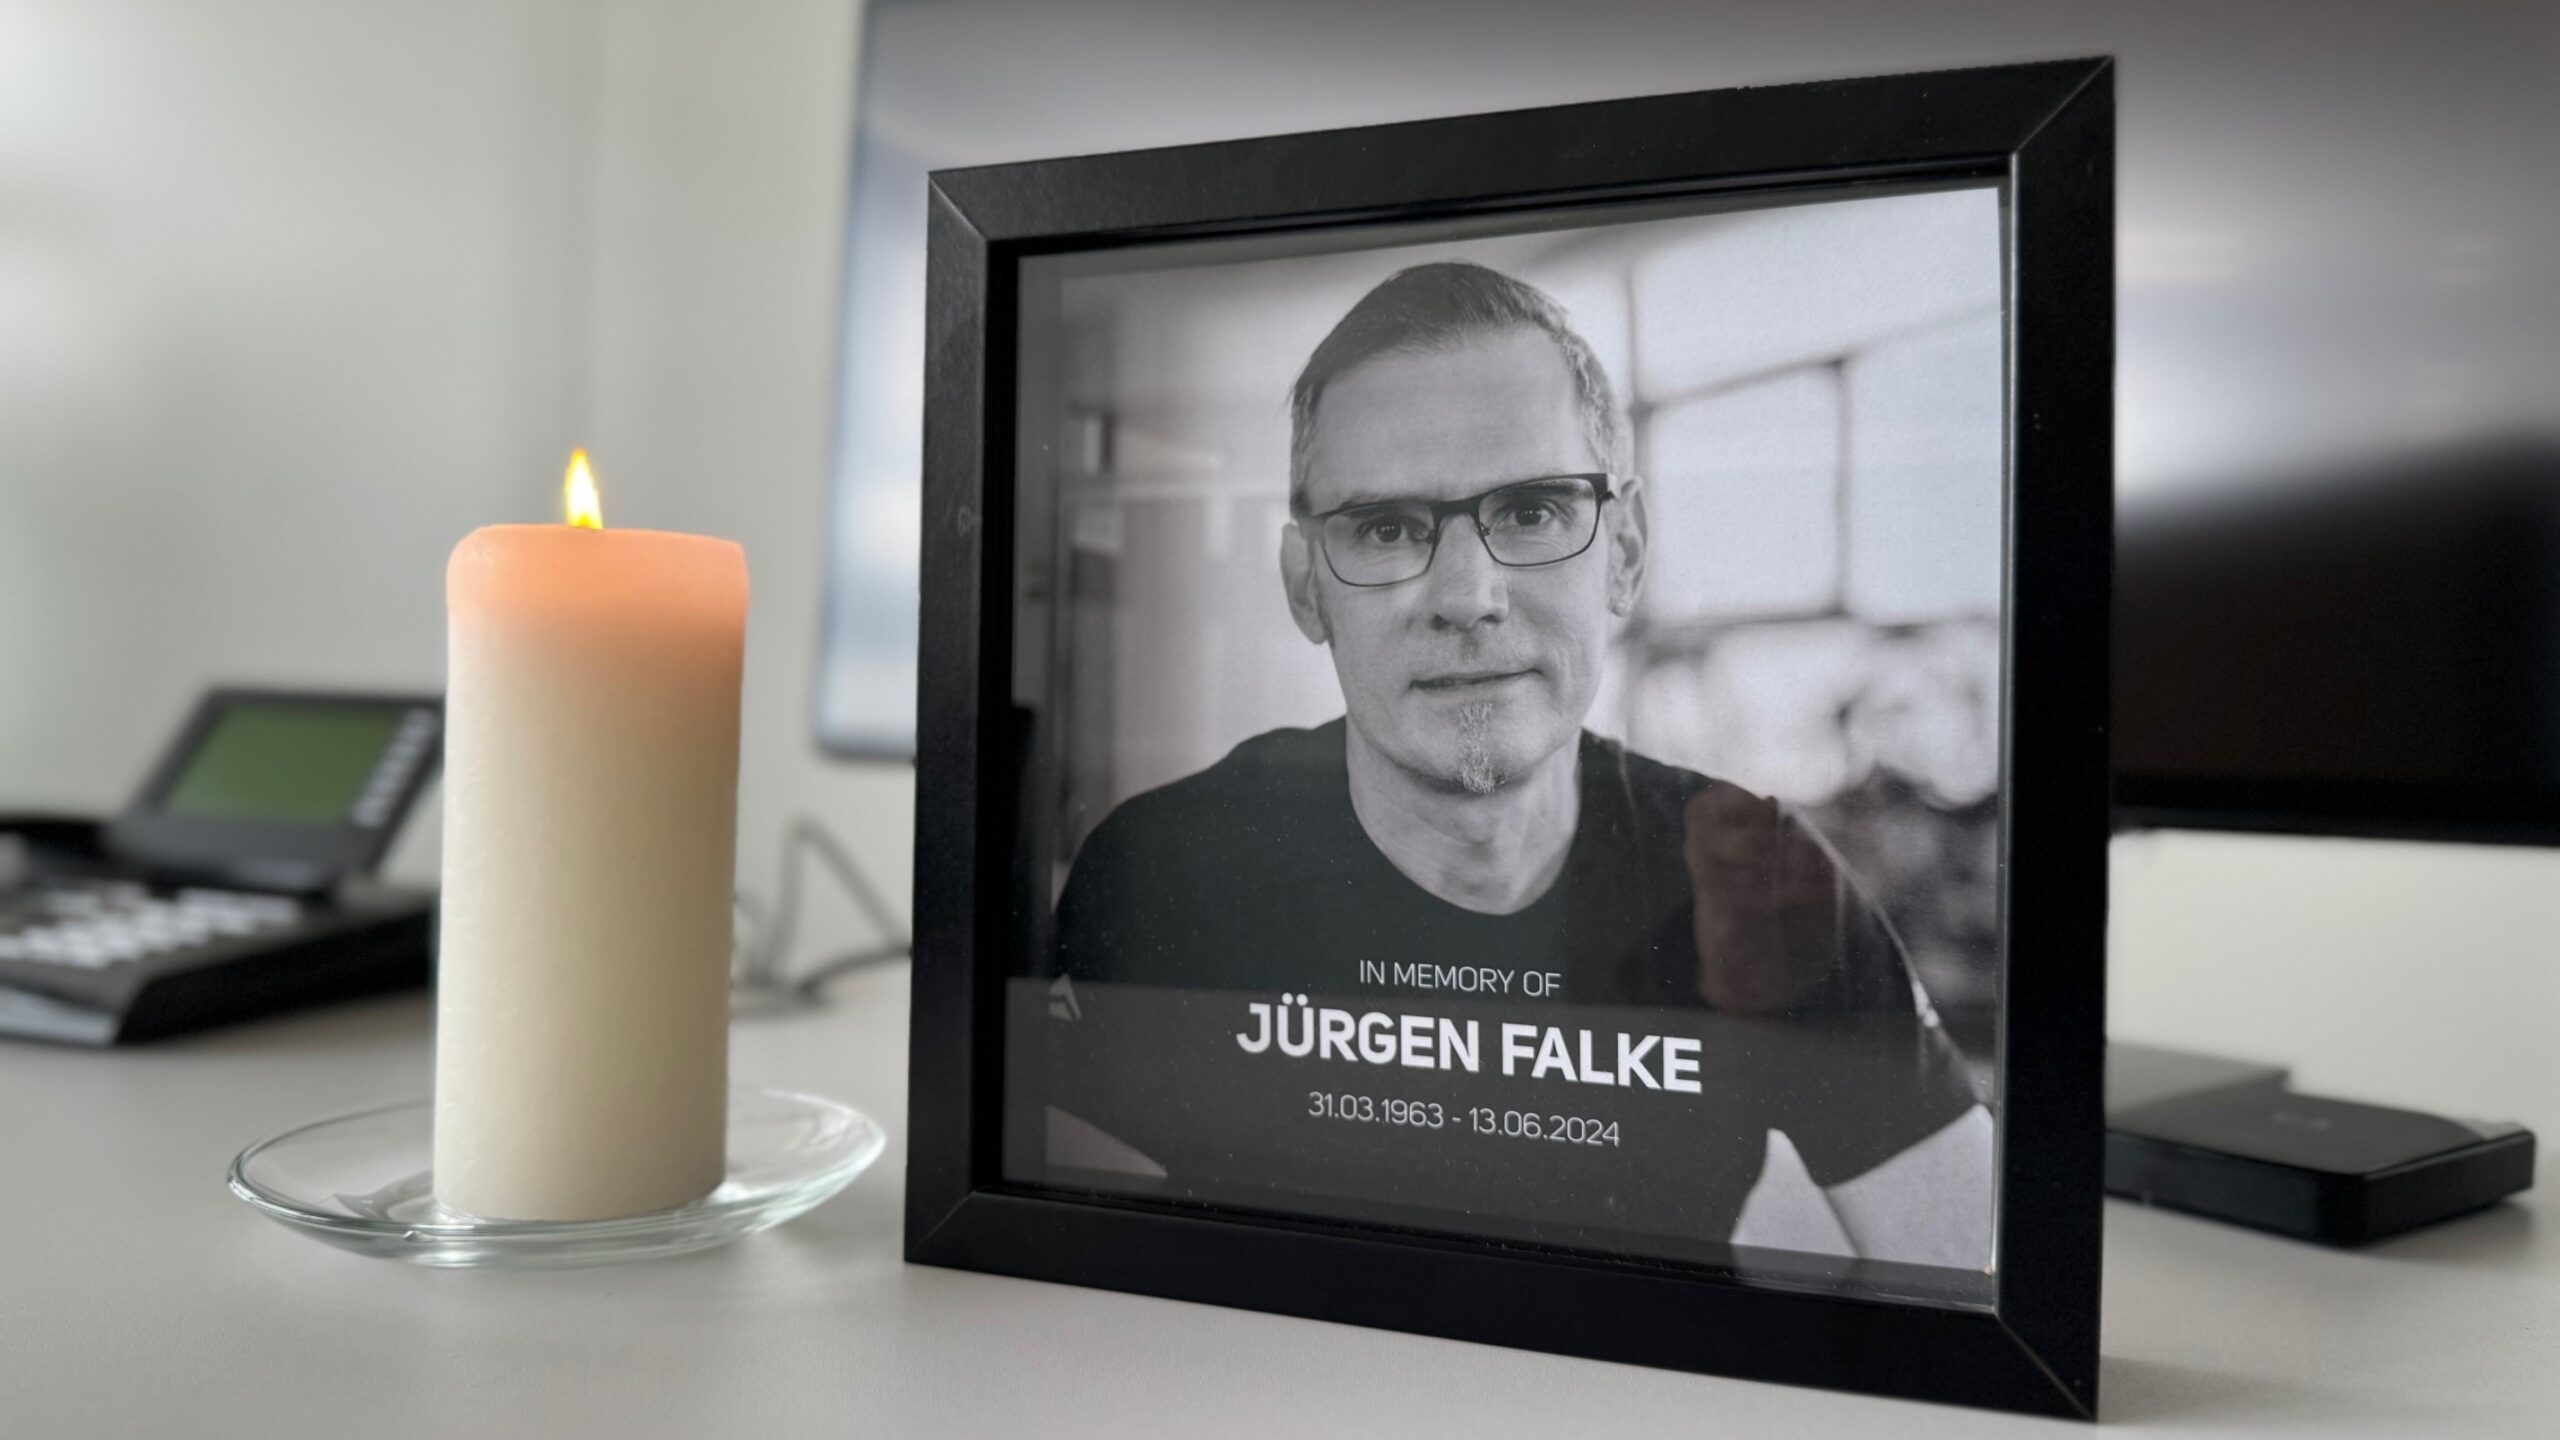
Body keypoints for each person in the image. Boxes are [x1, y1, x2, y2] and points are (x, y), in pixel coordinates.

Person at [1046, 260, 1989, 1263]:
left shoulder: (1757, 879)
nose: (1468, 596)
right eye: (1384, 527)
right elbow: (1061, 1288)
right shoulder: (1163, 871)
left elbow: (1974, 1278)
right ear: (1306, 587)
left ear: (1624, 553)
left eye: (1532, 512)